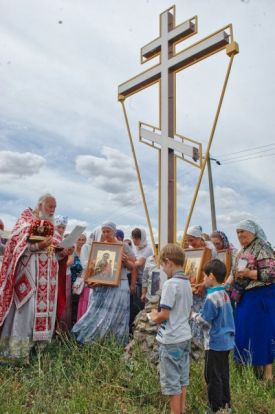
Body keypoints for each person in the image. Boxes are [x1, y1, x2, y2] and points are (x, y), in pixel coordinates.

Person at [0, 194, 60, 362]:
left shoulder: (52, 225)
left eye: (54, 207)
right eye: (50, 207)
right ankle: (16, 354)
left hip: (47, 281)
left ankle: (37, 353)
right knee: (26, 314)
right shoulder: (25, 220)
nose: (53, 210)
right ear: (40, 205)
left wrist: (62, 251)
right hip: (28, 277)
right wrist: (38, 246)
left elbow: (54, 250)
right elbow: (15, 247)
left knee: (43, 315)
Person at [72, 222, 134, 346]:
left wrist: (125, 260)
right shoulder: (99, 247)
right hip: (102, 286)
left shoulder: (123, 246)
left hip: (119, 286)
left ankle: (115, 344)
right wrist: (92, 280)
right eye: (103, 231)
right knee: (95, 313)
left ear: (114, 232)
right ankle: (92, 342)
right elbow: (94, 269)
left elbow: (133, 266)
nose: (105, 234)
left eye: (108, 231)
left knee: (117, 316)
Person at [149, 244, 192, 414]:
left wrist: (154, 315)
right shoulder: (187, 282)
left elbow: (164, 314)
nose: (164, 271)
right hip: (184, 336)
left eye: (163, 266)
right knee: (182, 380)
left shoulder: (170, 284)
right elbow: (188, 313)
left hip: (171, 339)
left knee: (172, 383)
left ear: (169, 262)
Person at [232, 220, 275, 380]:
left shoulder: (263, 247)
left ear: (253, 232)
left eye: (242, 231)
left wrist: (249, 274)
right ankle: (252, 371)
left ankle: (267, 376)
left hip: (261, 297)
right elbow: (234, 272)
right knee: (245, 333)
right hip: (246, 298)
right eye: (237, 232)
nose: (239, 235)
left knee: (262, 333)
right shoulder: (242, 250)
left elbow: (271, 273)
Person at [191, 259, 235, 414]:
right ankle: (226, 405)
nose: (203, 280)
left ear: (211, 276)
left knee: (211, 376)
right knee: (223, 374)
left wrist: (193, 315)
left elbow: (205, 322)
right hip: (227, 341)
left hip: (215, 342)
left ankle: (215, 408)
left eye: (204, 277)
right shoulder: (224, 294)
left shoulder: (211, 298)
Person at [186, 225, 217, 357]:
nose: (190, 243)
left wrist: (203, 284)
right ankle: (192, 345)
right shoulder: (192, 252)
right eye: (188, 240)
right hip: (194, 290)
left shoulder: (210, 252)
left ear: (199, 239)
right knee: (192, 315)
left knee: (202, 317)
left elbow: (212, 275)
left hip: (205, 291)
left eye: (192, 240)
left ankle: (202, 347)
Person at [130, 228, 153, 323]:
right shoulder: (134, 248)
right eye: (133, 238)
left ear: (142, 238)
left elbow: (138, 263)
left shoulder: (147, 249)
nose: (135, 241)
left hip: (145, 282)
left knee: (141, 305)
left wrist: (129, 259)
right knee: (134, 305)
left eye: (137, 238)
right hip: (135, 279)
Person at [70, 233, 86, 325]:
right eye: (79, 239)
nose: (80, 242)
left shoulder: (86, 252)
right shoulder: (72, 252)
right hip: (72, 281)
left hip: (82, 282)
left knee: (80, 303)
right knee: (72, 303)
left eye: (83, 240)